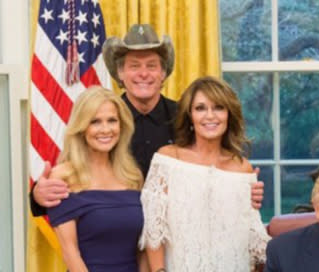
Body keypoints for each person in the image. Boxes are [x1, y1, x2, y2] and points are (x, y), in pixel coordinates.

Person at [30, 23, 264, 215]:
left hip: (175, 238)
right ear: (120, 73)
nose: (144, 73)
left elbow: (215, 164)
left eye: (152, 66)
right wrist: (38, 196)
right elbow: (75, 166)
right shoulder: (103, 120)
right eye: (134, 66)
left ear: (163, 73)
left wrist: (241, 188)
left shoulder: (188, 116)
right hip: (116, 232)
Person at [140, 76, 270, 272]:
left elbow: (252, 237)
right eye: (200, 108)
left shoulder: (242, 166)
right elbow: (154, 229)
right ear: (189, 116)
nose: (210, 116)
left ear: (229, 114)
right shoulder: (167, 159)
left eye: (218, 108)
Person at [47, 87, 149, 272]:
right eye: (95, 121)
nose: (105, 129)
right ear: (82, 128)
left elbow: (144, 249)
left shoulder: (133, 176)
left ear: (122, 125)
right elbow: (70, 252)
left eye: (112, 120)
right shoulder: (64, 176)